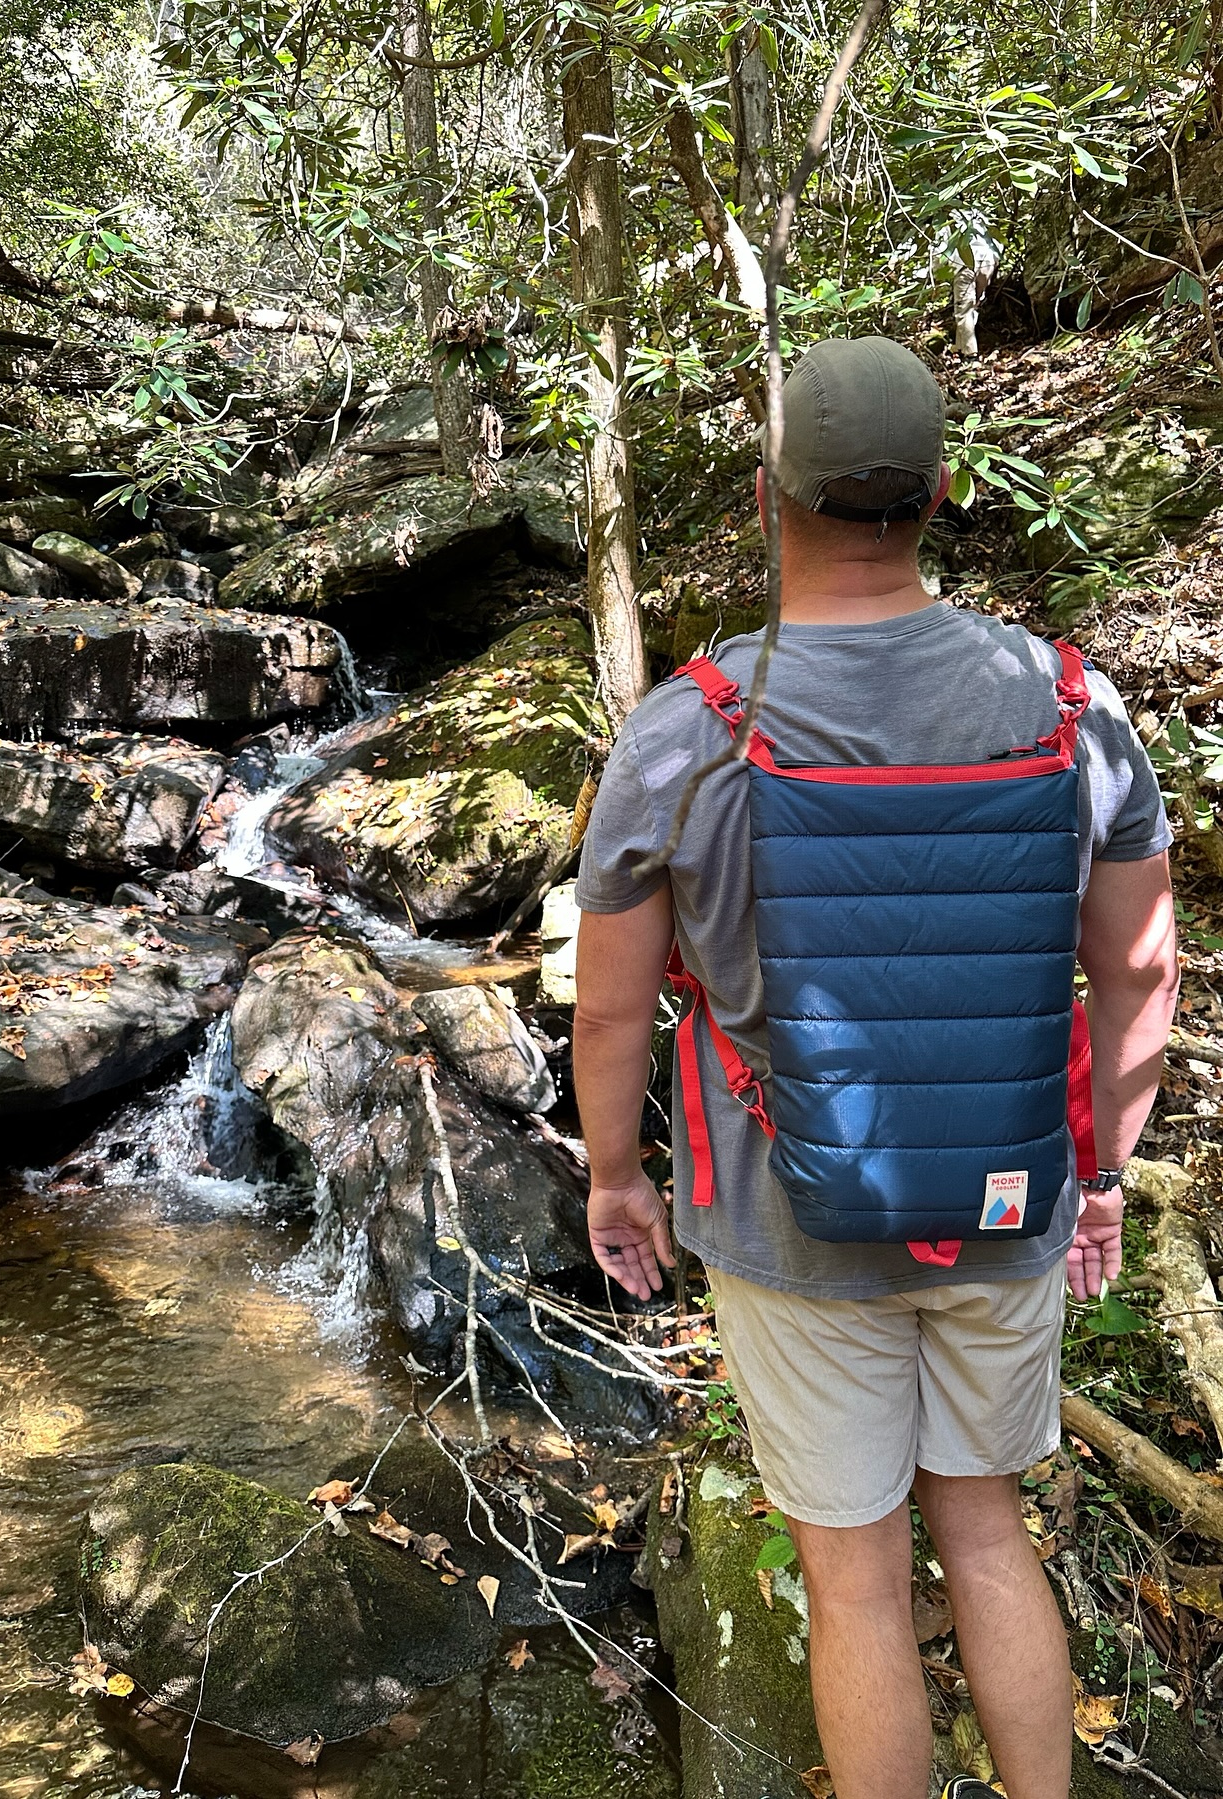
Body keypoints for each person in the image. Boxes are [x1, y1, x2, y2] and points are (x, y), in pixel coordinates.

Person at [572, 336, 1178, 1799]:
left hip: (789, 1217)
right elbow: (1141, 966)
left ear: (768, 488)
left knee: (854, 1582)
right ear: (944, 491)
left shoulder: (688, 729)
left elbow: (609, 1014)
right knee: (987, 1532)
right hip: (1010, 1193)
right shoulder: (1069, 705)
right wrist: (1100, 1175)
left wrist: (615, 1178)